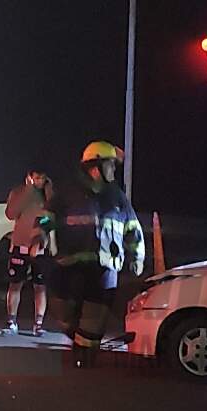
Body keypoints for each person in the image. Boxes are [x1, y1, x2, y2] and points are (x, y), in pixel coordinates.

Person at [46, 141, 145, 368]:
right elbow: (47, 216)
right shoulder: (68, 193)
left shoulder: (117, 197)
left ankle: (85, 358)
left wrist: (137, 258)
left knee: (95, 318)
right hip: (70, 265)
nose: (113, 170)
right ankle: (79, 346)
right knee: (64, 312)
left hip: (105, 267)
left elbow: (133, 229)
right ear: (94, 167)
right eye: (110, 165)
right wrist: (40, 232)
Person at [0, 169, 54, 336]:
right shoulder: (18, 192)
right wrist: (28, 190)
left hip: (41, 248)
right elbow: (10, 213)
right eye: (37, 177)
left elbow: (54, 217)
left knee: (40, 287)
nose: (40, 181)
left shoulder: (48, 194)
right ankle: (11, 322)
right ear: (29, 177)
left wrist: (44, 240)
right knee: (15, 283)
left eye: (43, 177)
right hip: (20, 245)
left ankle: (38, 324)